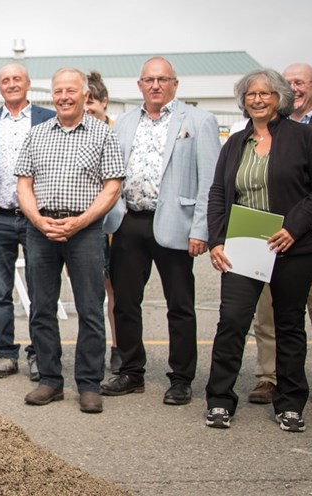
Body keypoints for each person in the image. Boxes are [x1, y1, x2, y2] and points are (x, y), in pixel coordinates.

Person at [205, 68, 312, 432]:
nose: (258, 99)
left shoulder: (304, 137)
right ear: (243, 100)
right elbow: (218, 194)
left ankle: (291, 403)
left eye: (265, 93)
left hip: (292, 244)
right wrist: (217, 240)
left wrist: (294, 227)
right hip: (244, 243)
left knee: (289, 324)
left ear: (279, 97)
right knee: (232, 320)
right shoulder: (235, 142)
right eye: (251, 94)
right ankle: (218, 400)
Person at [100, 56, 221, 406]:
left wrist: (202, 230)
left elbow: (210, 182)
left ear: (175, 84)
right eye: (149, 80)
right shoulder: (123, 123)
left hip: (175, 224)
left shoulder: (198, 121)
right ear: (139, 85)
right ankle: (131, 371)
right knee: (124, 302)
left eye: (162, 79)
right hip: (129, 221)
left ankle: (181, 378)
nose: (155, 85)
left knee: (180, 305)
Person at [247, 63, 312, 414]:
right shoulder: (261, 130)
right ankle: (269, 376)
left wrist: (297, 212)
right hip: (266, 235)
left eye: (300, 83)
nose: (294, 89)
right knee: (267, 313)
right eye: (287, 84)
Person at [14, 68, 124, 413]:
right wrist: (37, 219)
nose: (63, 97)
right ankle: (50, 380)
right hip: (41, 229)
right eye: (58, 91)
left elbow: (113, 186)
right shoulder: (37, 135)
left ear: (84, 95)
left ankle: (89, 384)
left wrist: (81, 221)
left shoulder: (103, 135)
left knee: (90, 309)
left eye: (70, 91)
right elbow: (24, 184)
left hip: (86, 231)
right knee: (42, 308)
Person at [0, 63, 54, 380]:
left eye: (17, 79)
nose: (11, 84)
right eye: (5, 80)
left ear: (28, 84)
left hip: (37, 219)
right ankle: (6, 354)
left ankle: (38, 354)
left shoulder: (47, 119)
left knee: (40, 291)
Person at [84, 70, 121, 375]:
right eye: (84, 106)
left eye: (93, 104)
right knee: (94, 290)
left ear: (104, 103)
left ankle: (118, 348)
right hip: (86, 226)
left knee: (115, 290)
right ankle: (94, 351)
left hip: (114, 225)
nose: (88, 111)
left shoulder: (116, 133)